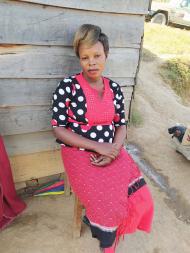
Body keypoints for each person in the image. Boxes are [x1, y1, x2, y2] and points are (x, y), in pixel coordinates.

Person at [51, 24, 154, 253]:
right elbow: (59, 129)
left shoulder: (115, 88)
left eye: (97, 55)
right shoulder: (68, 87)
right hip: (78, 153)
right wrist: (99, 147)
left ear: (106, 54)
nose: (92, 62)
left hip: (112, 150)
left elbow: (121, 125)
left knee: (141, 196)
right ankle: (105, 239)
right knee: (107, 204)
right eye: (85, 57)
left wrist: (114, 149)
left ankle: (103, 221)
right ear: (79, 59)